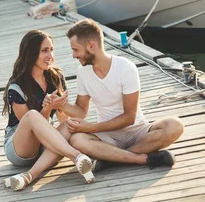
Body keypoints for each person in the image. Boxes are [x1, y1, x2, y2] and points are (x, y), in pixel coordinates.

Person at [56, 18, 184, 171]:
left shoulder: (125, 67)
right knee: (77, 140)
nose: (73, 55)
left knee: (175, 125)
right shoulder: (83, 72)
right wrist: (61, 105)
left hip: (137, 131)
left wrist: (91, 128)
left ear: (91, 46)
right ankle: (139, 158)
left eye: (76, 50)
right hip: (108, 137)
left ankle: (110, 160)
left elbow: (129, 117)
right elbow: (81, 111)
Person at [3, 30, 95, 191]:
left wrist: (61, 109)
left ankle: (28, 176)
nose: (50, 55)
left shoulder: (56, 77)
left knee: (71, 124)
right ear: (31, 53)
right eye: (44, 50)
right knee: (32, 115)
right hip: (20, 147)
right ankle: (76, 156)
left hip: (45, 144)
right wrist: (47, 109)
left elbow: (64, 118)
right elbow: (32, 127)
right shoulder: (17, 87)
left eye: (51, 50)